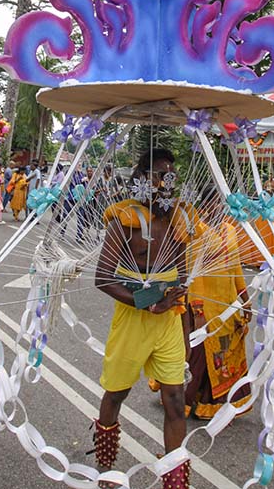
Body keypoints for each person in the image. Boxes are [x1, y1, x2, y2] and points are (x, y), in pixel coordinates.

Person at [94, 149, 191, 489]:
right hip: (133, 321)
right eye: (158, 174)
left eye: (171, 175)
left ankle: (175, 481)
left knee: (176, 401)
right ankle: (105, 466)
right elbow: (103, 278)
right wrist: (151, 303)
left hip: (169, 324)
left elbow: (182, 282)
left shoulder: (179, 220)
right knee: (116, 394)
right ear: (142, 178)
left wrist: (185, 328)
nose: (165, 181)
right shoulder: (126, 219)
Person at [184, 185, 251, 419]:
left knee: (227, 356)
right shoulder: (197, 232)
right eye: (214, 203)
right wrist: (198, 310)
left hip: (228, 305)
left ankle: (218, 405)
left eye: (222, 204)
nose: (219, 208)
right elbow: (194, 275)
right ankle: (188, 402)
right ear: (204, 206)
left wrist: (245, 300)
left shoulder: (230, 230)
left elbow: (236, 268)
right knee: (201, 357)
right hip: (206, 305)